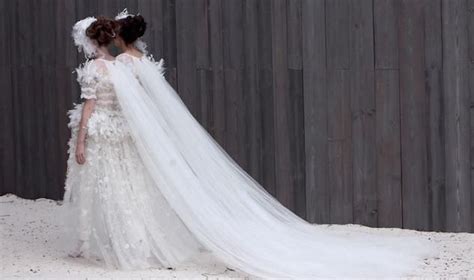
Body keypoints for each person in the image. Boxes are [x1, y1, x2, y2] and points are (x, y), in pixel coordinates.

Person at [62, 11, 438, 278]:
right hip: (130, 131)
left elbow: (101, 102)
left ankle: (124, 241)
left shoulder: (113, 66)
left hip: (115, 131)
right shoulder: (135, 61)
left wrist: (89, 132)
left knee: (130, 187)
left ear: (108, 39)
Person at [62, 15, 202, 270]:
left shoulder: (94, 68)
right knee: (125, 185)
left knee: (92, 185)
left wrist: (80, 141)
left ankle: (85, 241)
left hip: (98, 131)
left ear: (94, 41)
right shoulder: (122, 66)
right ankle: (134, 239)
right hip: (119, 130)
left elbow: (88, 107)